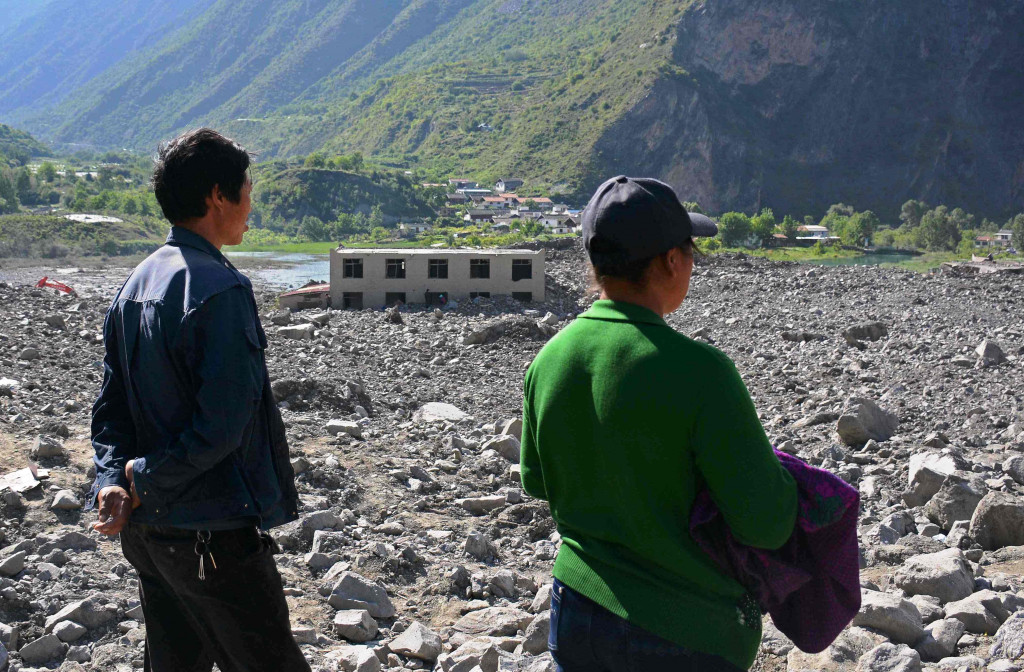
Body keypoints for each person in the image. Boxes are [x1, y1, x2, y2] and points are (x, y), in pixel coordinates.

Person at [520, 176, 799, 671]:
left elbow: (537, 482)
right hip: (684, 630)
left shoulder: (548, 360)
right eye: (691, 252)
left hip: (578, 610)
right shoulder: (702, 371)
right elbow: (767, 523)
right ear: (671, 260)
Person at [88, 128, 310, 672]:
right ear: (218, 196)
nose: (251, 205)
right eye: (247, 191)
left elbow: (111, 406)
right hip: (210, 535)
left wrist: (113, 479)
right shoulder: (218, 289)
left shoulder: (135, 283)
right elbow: (221, 427)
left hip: (148, 534)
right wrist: (144, 477)